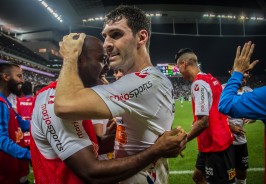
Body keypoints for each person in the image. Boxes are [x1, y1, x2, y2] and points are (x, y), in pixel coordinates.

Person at [31, 35, 187, 184]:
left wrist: (112, 137)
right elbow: (91, 172)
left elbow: (86, 150)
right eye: (101, 59)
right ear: (78, 60)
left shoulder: (76, 100)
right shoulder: (54, 104)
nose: (108, 66)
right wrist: (156, 150)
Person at [175, 48, 235, 183]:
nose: (178, 70)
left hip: (216, 146)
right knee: (197, 177)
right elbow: (216, 111)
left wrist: (183, 140)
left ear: (184, 64)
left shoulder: (198, 84)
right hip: (210, 143)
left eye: (178, 66)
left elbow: (204, 122)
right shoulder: (211, 79)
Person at [0, 63, 30, 184]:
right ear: (6, 77)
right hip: (2, 177)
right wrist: (29, 155)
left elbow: (23, 125)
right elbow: (0, 140)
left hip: (9, 174)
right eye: (19, 76)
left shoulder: (3, 101)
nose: (22, 80)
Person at [218, 41, 265, 122]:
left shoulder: (251, 91)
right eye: (243, 72)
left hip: (240, 132)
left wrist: (238, 71)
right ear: (230, 72)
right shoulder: (221, 88)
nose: (244, 75)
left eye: (246, 72)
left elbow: (225, 105)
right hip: (226, 131)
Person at [222, 70, 255, 184]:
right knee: (227, 174)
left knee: (241, 173)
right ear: (231, 73)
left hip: (240, 140)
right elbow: (214, 113)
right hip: (225, 141)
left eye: (246, 75)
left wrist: (253, 117)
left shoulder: (249, 92)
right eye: (242, 74)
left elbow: (255, 110)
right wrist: (229, 126)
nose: (244, 78)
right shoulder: (223, 89)